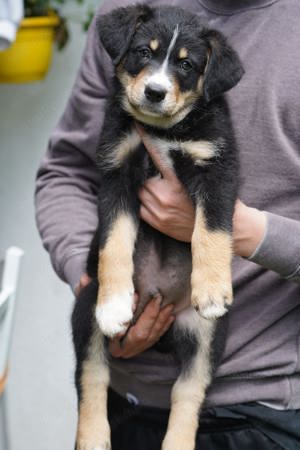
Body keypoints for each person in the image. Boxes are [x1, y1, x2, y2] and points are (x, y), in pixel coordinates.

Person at [35, 0, 300, 448]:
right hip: (124, 399)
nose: (158, 81)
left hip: (260, 408)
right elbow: (67, 172)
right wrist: (99, 290)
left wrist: (246, 232)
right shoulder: (128, 13)